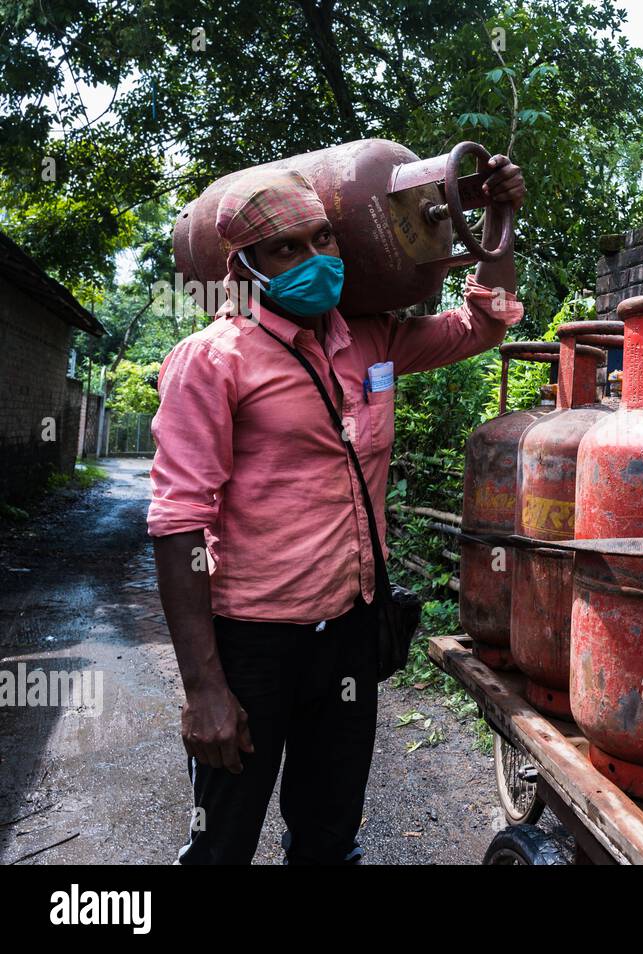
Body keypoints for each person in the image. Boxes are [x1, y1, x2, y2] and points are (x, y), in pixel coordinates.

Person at [147, 155, 527, 864]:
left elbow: (488, 322)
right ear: (246, 268)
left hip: (349, 633)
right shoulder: (213, 361)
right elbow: (177, 523)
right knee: (219, 844)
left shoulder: (373, 340)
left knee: (328, 837)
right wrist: (204, 689)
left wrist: (498, 220)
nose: (316, 259)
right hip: (251, 645)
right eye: (288, 248)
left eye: (324, 239)